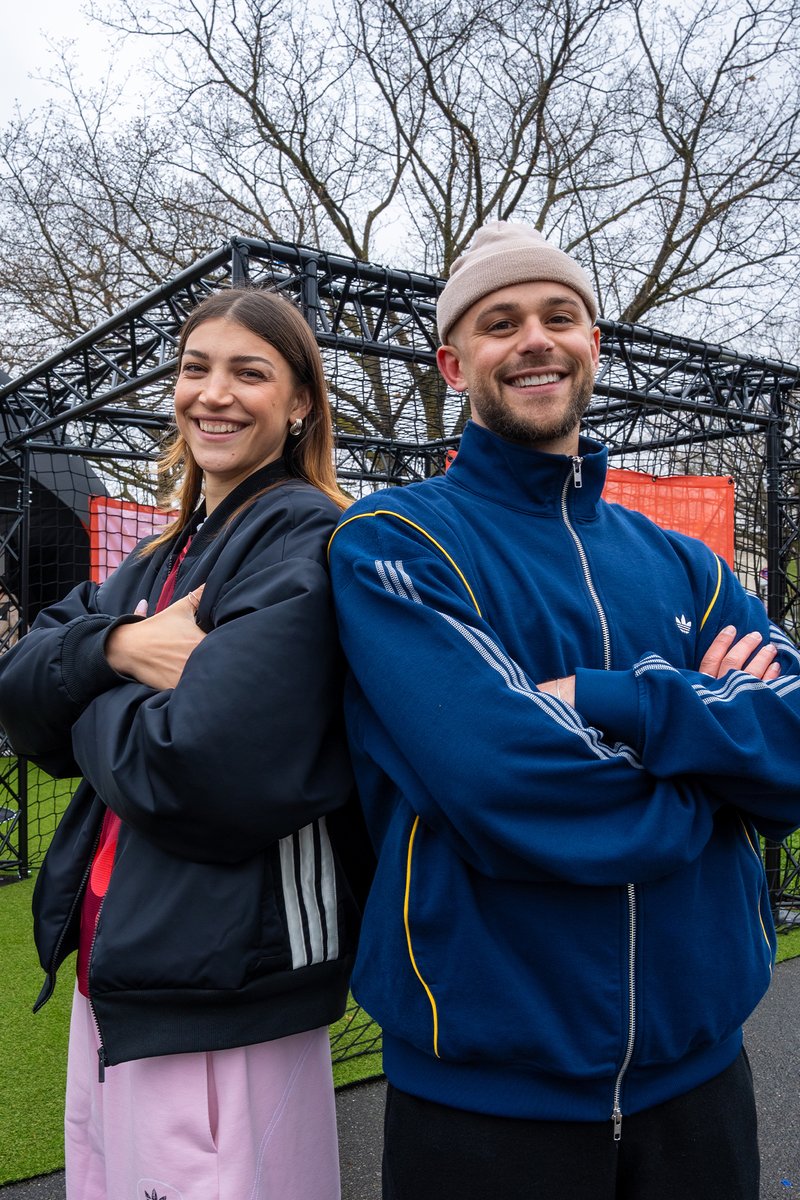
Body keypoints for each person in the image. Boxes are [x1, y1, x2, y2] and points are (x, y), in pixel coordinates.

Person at [327, 221, 800, 1200]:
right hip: (485, 1101)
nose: (534, 338)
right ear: (453, 364)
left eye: (559, 315)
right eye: (499, 322)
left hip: (700, 1080)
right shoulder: (394, 541)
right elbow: (503, 781)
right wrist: (714, 786)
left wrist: (611, 700)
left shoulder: (680, 561)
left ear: (593, 345)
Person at [0, 288, 365, 1200]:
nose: (215, 393)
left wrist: (79, 675)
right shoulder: (163, 553)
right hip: (123, 967)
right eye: (196, 368)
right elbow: (16, 695)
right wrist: (122, 648)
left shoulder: (310, 537)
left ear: (300, 404)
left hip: (228, 985)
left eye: (251, 372)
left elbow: (190, 767)